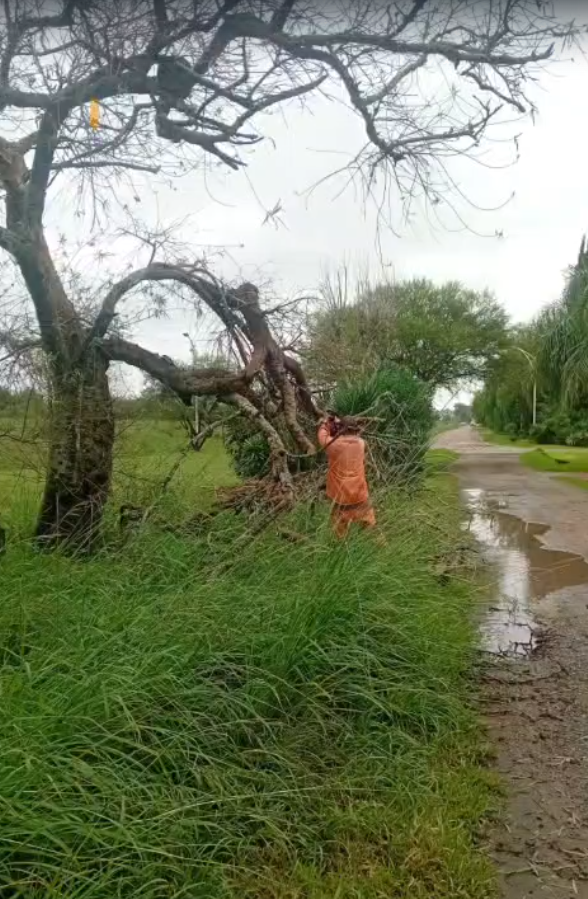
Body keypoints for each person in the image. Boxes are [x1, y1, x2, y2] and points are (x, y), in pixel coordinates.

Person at [317, 413, 377, 539]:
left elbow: (322, 437)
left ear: (341, 429)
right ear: (355, 430)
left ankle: (342, 553)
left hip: (340, 497)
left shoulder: (334, 445)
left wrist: (325, 424)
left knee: (340, 534)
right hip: (360, 494)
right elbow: (353, 438)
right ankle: (379, 550)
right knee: (370, 528)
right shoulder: (361, 443)